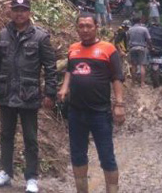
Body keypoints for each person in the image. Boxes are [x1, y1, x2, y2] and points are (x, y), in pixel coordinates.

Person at [0, 0, 57, 193]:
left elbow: (50, 68)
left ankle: (31, 177)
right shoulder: (3, 35)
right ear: (11, 11)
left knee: (30, 137)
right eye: (16, 9)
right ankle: (6, 172)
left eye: (23, 10)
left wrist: (50, 93)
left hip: (29, 94)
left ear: (29, 12)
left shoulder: (40, 37)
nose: (19, 13)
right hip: (7, 92)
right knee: (6, 134)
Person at [58, 13, 125, 193]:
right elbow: (70, 71)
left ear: (96, 27)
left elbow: (117, 77)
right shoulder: (73, 49)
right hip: (76, 112)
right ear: (77, 28)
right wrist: (64, 88)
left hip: (100, 113)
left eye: (89, 26)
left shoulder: (108, 49)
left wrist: (119, 104)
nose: (85, 29)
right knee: (78, 155)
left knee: (107, 156)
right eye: (81, 26)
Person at [126, 17, 151, 86]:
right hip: (142, 48)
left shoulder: (130, 29)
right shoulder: (144, 29)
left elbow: (127, 39)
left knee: (134, 66)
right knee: (142, 65)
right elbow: (148, 39)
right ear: (140, 21)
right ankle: (142, 83)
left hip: (132, 48)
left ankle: (133, 82)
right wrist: (150, 47)